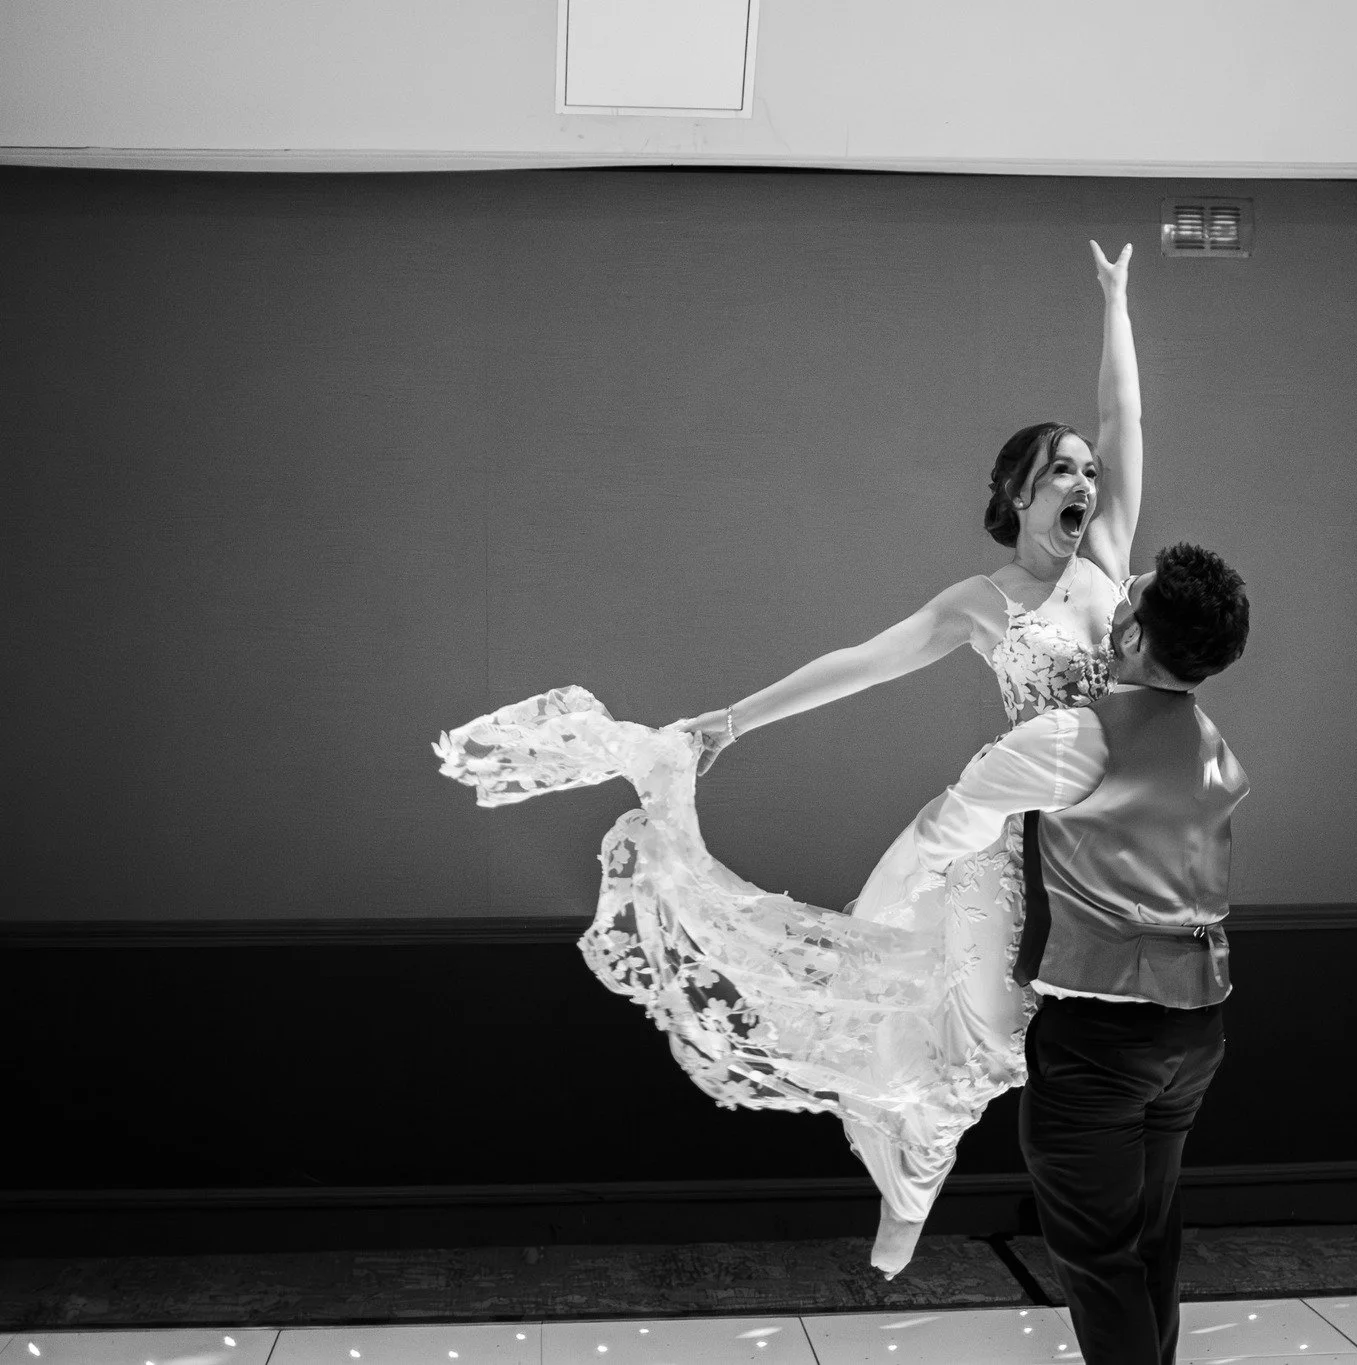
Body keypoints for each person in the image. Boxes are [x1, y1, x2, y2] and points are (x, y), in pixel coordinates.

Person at [434, 240, 1147, 1277]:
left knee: (1011, 1051)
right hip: (999, 838)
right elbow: (861, 663)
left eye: (1088, 470)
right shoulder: (978, 604)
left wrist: (1116, 302)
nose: (1085, 480)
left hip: (1099, 842)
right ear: (1020, 497)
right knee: (982, 1038)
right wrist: (734, 717)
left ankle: (951, 1172)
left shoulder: (1109, 564)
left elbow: (1128, 424)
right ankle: (909, 1188)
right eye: (1061, 472)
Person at [900, 542, 1251, 1365]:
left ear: (1127, 636)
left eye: (1132, 592)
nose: (1117, 589)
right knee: (1150, 1240)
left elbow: (955, 822)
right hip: (1195, 1037)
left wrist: (914, 867)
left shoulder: (1075, 739)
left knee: (1099, 1257)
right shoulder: (1210, 745)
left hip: (1099, 1041)